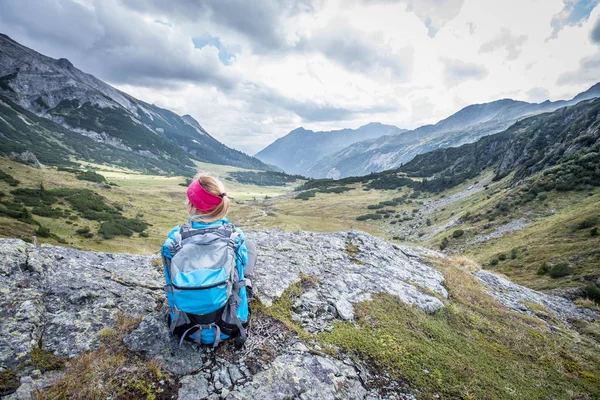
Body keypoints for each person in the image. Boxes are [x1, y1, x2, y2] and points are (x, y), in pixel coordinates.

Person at [160, 174, 255, 346]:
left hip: (184, 327)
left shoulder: (175, 239)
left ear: (191, 205)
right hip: (230, 326)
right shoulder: (235, 236)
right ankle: (248, 285)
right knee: (249, 246)